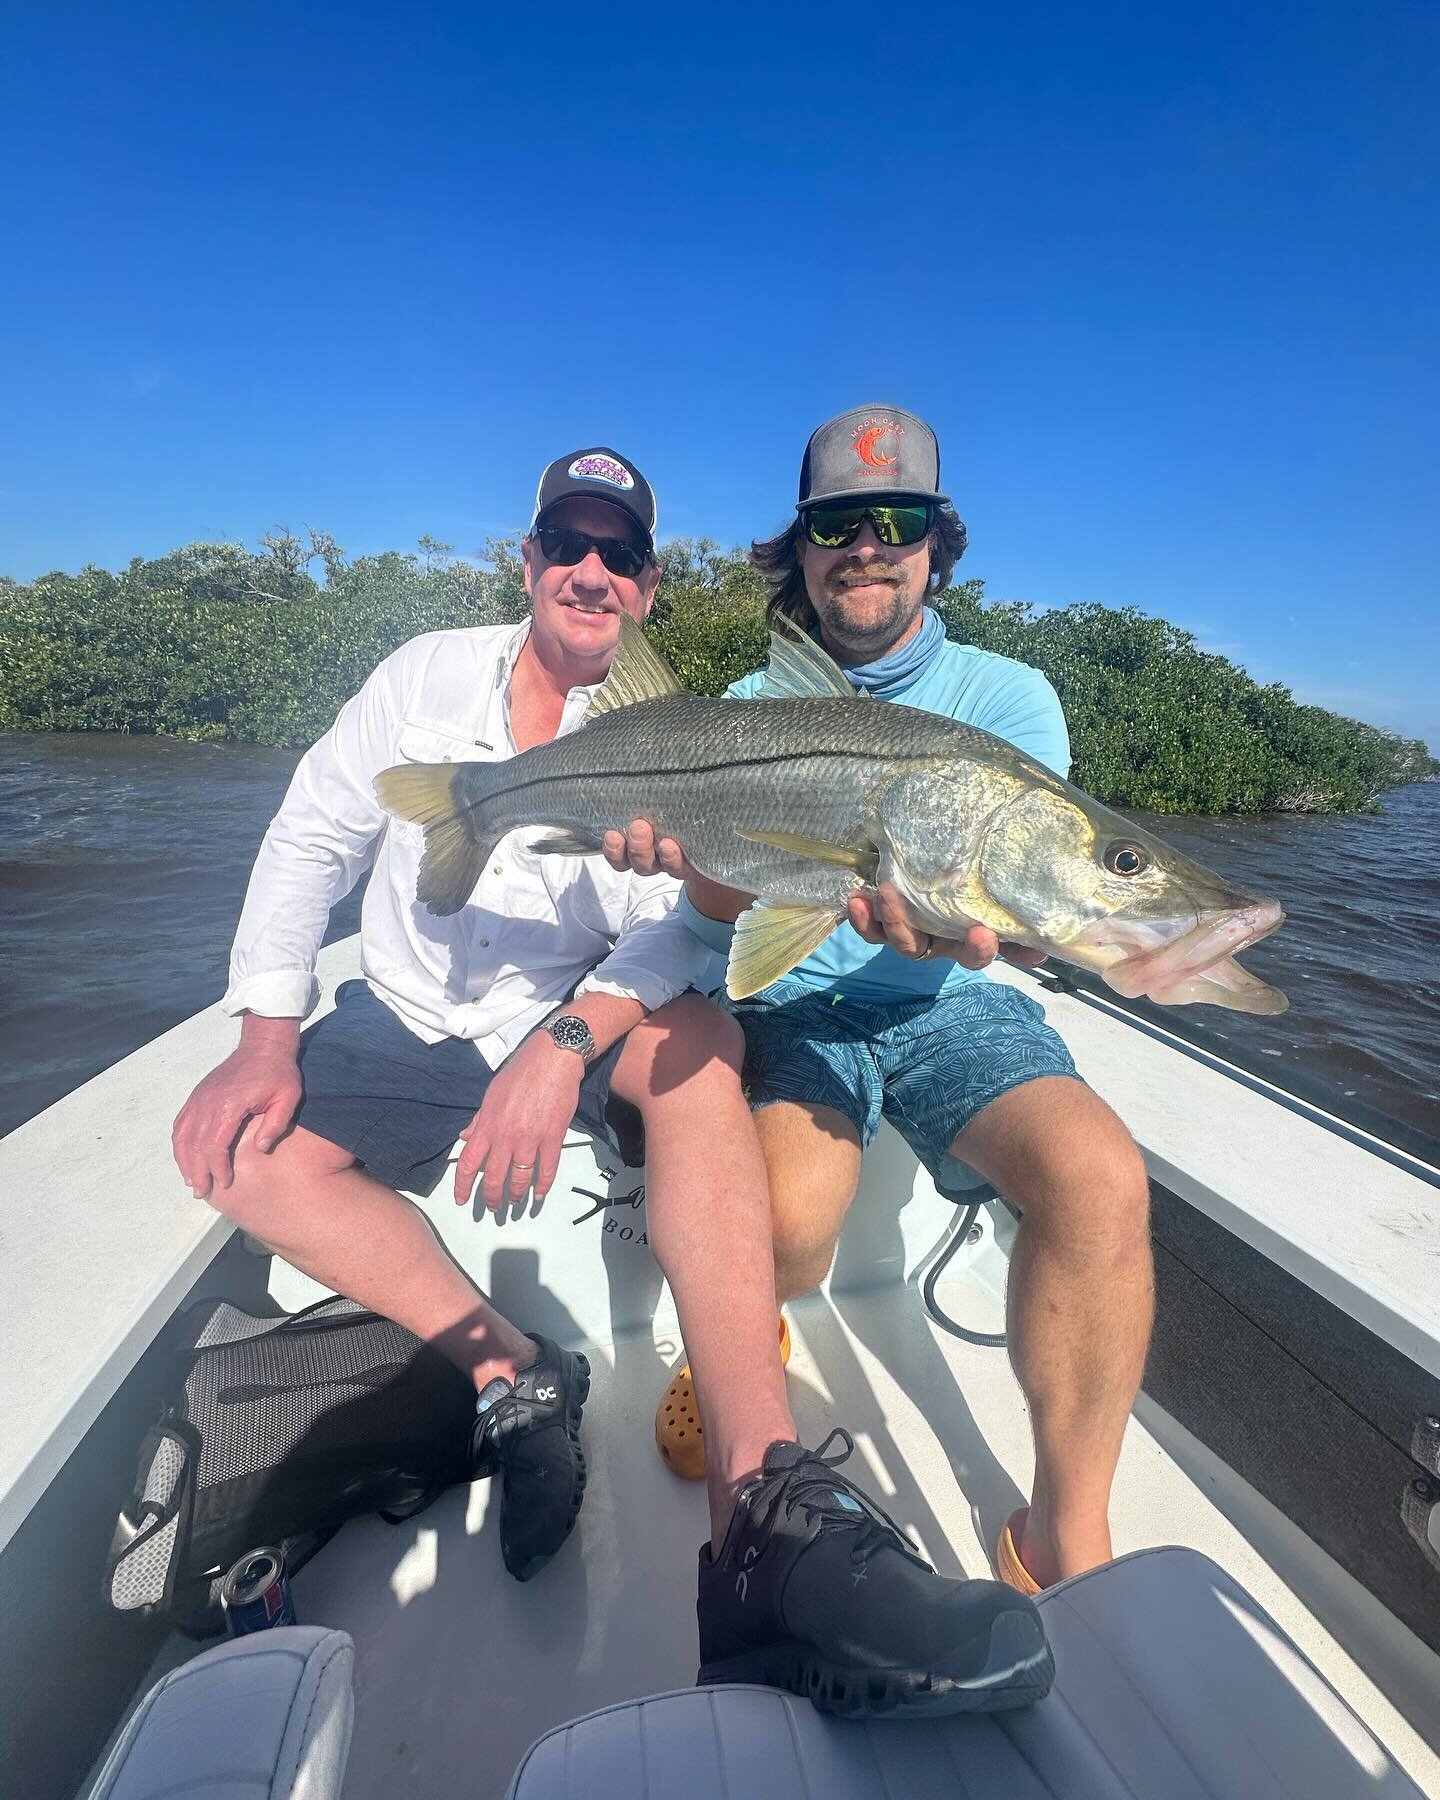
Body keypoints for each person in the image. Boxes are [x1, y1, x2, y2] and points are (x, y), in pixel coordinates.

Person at [172, 442, 1052, 1713]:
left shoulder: (676, 727)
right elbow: (313, 832)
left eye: (622, 555)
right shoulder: (423, 674)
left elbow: (678, 934)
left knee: (706, 1052)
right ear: (528, 560)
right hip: (406, 1007)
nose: (592, 571)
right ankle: (510, 1368)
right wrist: (267, 1030)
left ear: (647, 588)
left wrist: (566, 1039)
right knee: (234, 1154)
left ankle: (767, 1505)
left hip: (573, 1006)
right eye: (569, 545)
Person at [610, 406, 1154, 1594]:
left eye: (896, 519)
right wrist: (690, 861)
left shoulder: (1008, 699)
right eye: (836, 524)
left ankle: (1065, 1532)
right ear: (799, 549)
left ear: (935, 543)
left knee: (1101, 1178)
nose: (867, 546)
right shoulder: (741, 709)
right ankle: (750, 1330)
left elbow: (1020, 925)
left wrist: (999, 933)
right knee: (791, 1233)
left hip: (948, 1001)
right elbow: (716, 926)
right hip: (797, 1002)